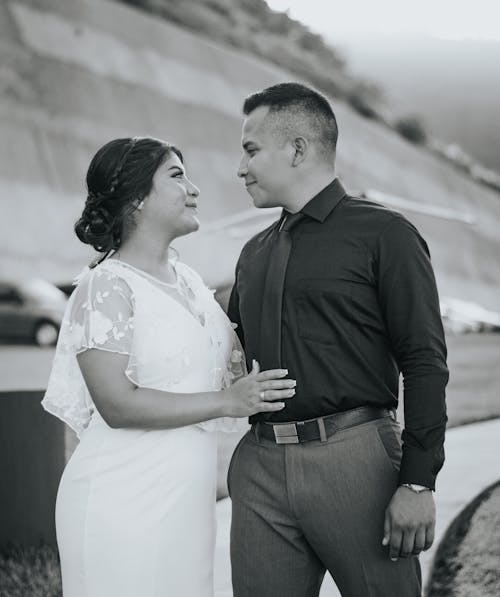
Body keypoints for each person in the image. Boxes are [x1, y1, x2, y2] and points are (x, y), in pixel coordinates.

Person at [42, 136, 296, 597]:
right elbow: (117, 404)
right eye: (177, 176)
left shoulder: (190, 283)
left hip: (187, 502)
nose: (194, 189)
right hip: (121, 499)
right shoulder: (106, 287)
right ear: (137, 197)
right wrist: (228, 401)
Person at [227, 83, 448, 597]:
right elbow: (230, 353)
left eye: (251, 149)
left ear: (298, 149)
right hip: (259, 469)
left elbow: (424, 361)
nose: (241, 167)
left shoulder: (385, 235)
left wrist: (417, 481)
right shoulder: (252, 253)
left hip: (357, 464)